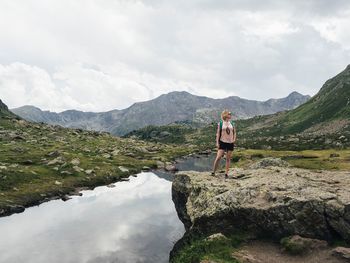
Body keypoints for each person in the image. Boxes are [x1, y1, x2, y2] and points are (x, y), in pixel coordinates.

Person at [211, 109, 236, 178]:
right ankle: (213, 172)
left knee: (228, 158)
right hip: (222, 142)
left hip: (230, 143)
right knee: (218, 157)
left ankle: (226, 173)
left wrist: (234, 139)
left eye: (230, 114)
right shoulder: (221, 123)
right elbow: (218, 133)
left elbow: (234, 132)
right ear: (225, 115)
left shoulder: (232, 123)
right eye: (229, 114)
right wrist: (217, 142)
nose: (230, 115)